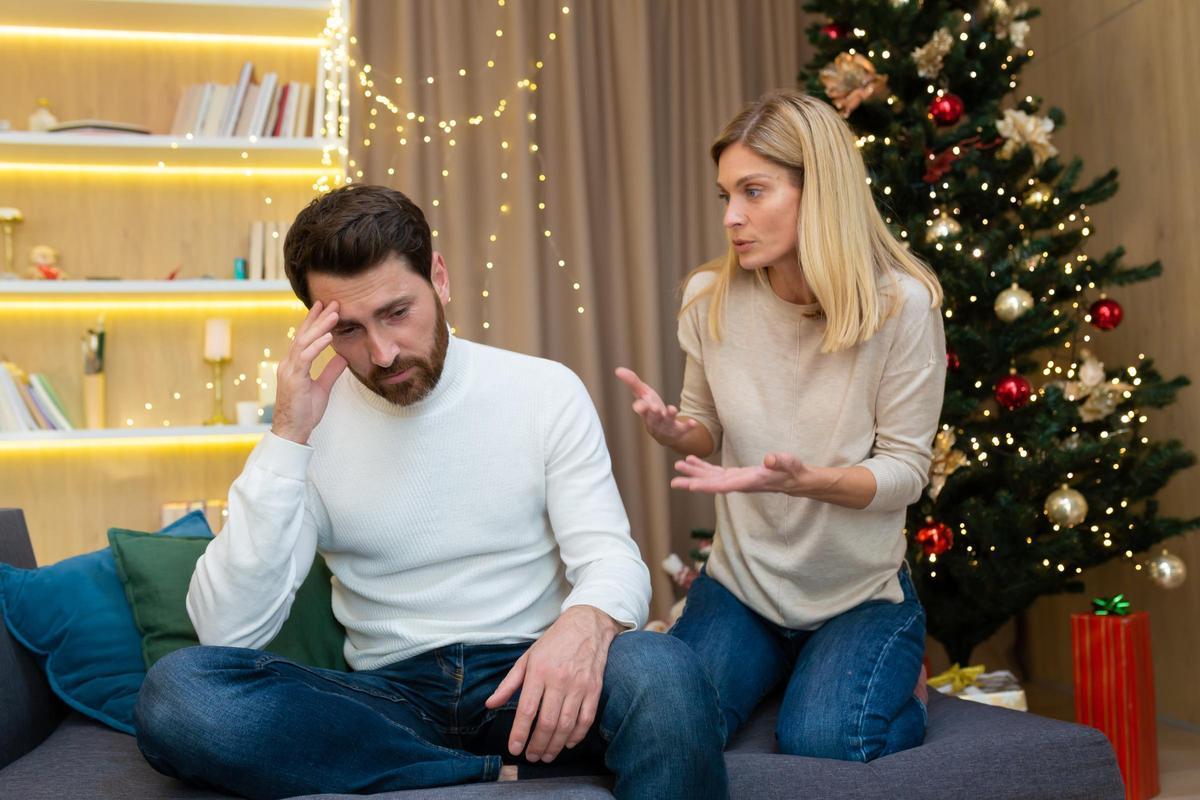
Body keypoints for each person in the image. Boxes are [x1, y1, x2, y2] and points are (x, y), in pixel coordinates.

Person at [134, 184, 728, 800]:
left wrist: (584, 624)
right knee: (178, 693)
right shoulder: (307, 428)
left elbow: (610, 560)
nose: (382, 353)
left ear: (438, 278)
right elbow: (228, 632)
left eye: (397, 312)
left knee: (664, 668)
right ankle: (470, 774)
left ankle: (425, 771)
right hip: (391, 696)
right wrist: (288, 436)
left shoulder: (543, 391)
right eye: (349, 330)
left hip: (532, 679)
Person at [618, 89, 946, 762]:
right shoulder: (710, 297)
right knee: (658, 725)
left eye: (754, 192)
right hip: (742, 587)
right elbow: (704, 427)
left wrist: (811, 480)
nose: (732, 217)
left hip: (858, 594)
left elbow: (908, 472)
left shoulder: (902, 305)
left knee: (824, 736)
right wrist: (674, 431)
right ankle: (782, 671)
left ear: (818, 191)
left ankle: (899, 685)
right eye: (725, 196)